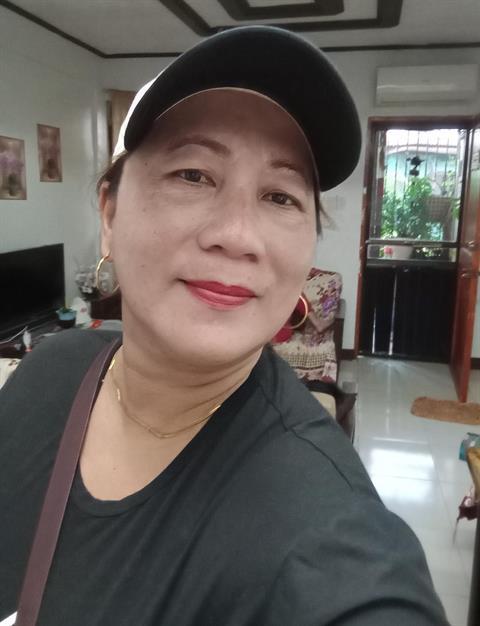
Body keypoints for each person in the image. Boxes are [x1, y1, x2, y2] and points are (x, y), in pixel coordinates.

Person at [0, 26, 449, 626]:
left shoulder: (330, 538)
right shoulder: (49, 371)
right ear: (109, 213)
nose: (237, 236)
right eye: (194, 174)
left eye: (281, 197)